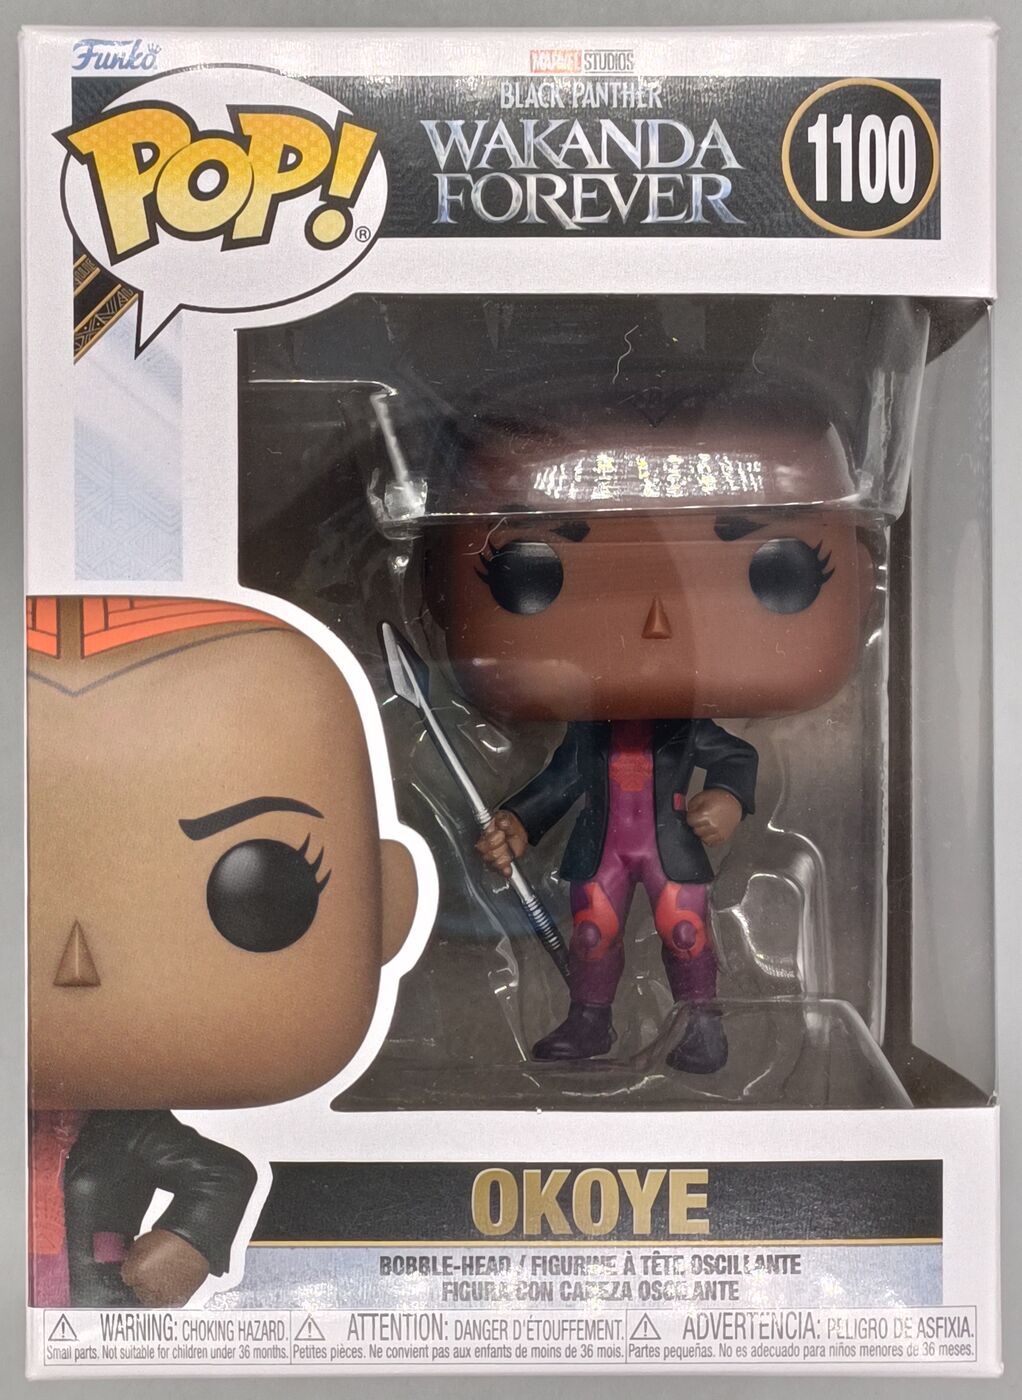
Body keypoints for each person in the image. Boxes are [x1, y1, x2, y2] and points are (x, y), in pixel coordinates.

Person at [28, 595, 418, 1306]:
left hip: (96, 1319)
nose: (75, 964)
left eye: (260, 887)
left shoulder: (130, 1131)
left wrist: (188, 1242)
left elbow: (221, 1175)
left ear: (386, 901)